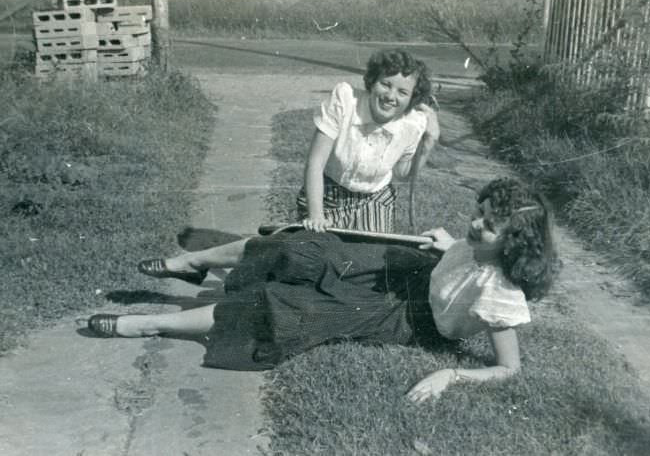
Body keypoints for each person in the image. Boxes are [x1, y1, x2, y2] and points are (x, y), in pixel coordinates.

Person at [88, 178, 558, 402]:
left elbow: (508, 369)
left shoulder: (504, 296)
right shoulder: (473, 246)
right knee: (304, 248)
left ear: (514, 242)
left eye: (488, 226)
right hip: (412, 271)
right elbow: (461, 261)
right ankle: (193, 263)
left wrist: (449, 376)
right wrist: (450, 245)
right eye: (478, 214)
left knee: (294, 309)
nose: (475, 224)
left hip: (407, 319)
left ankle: (150, 323)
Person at [298, 48, 440, 233]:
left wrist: (428, 144)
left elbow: (403, 172)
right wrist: (316, 215)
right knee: (320, 251)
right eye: (385, 84)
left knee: (369, 255)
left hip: (373, 199)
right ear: (372, 82)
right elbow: (316, 162)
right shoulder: (346, 100)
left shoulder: (412, 123)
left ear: (412, 98)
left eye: (402, 92)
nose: (391, 96)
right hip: (327, 193)